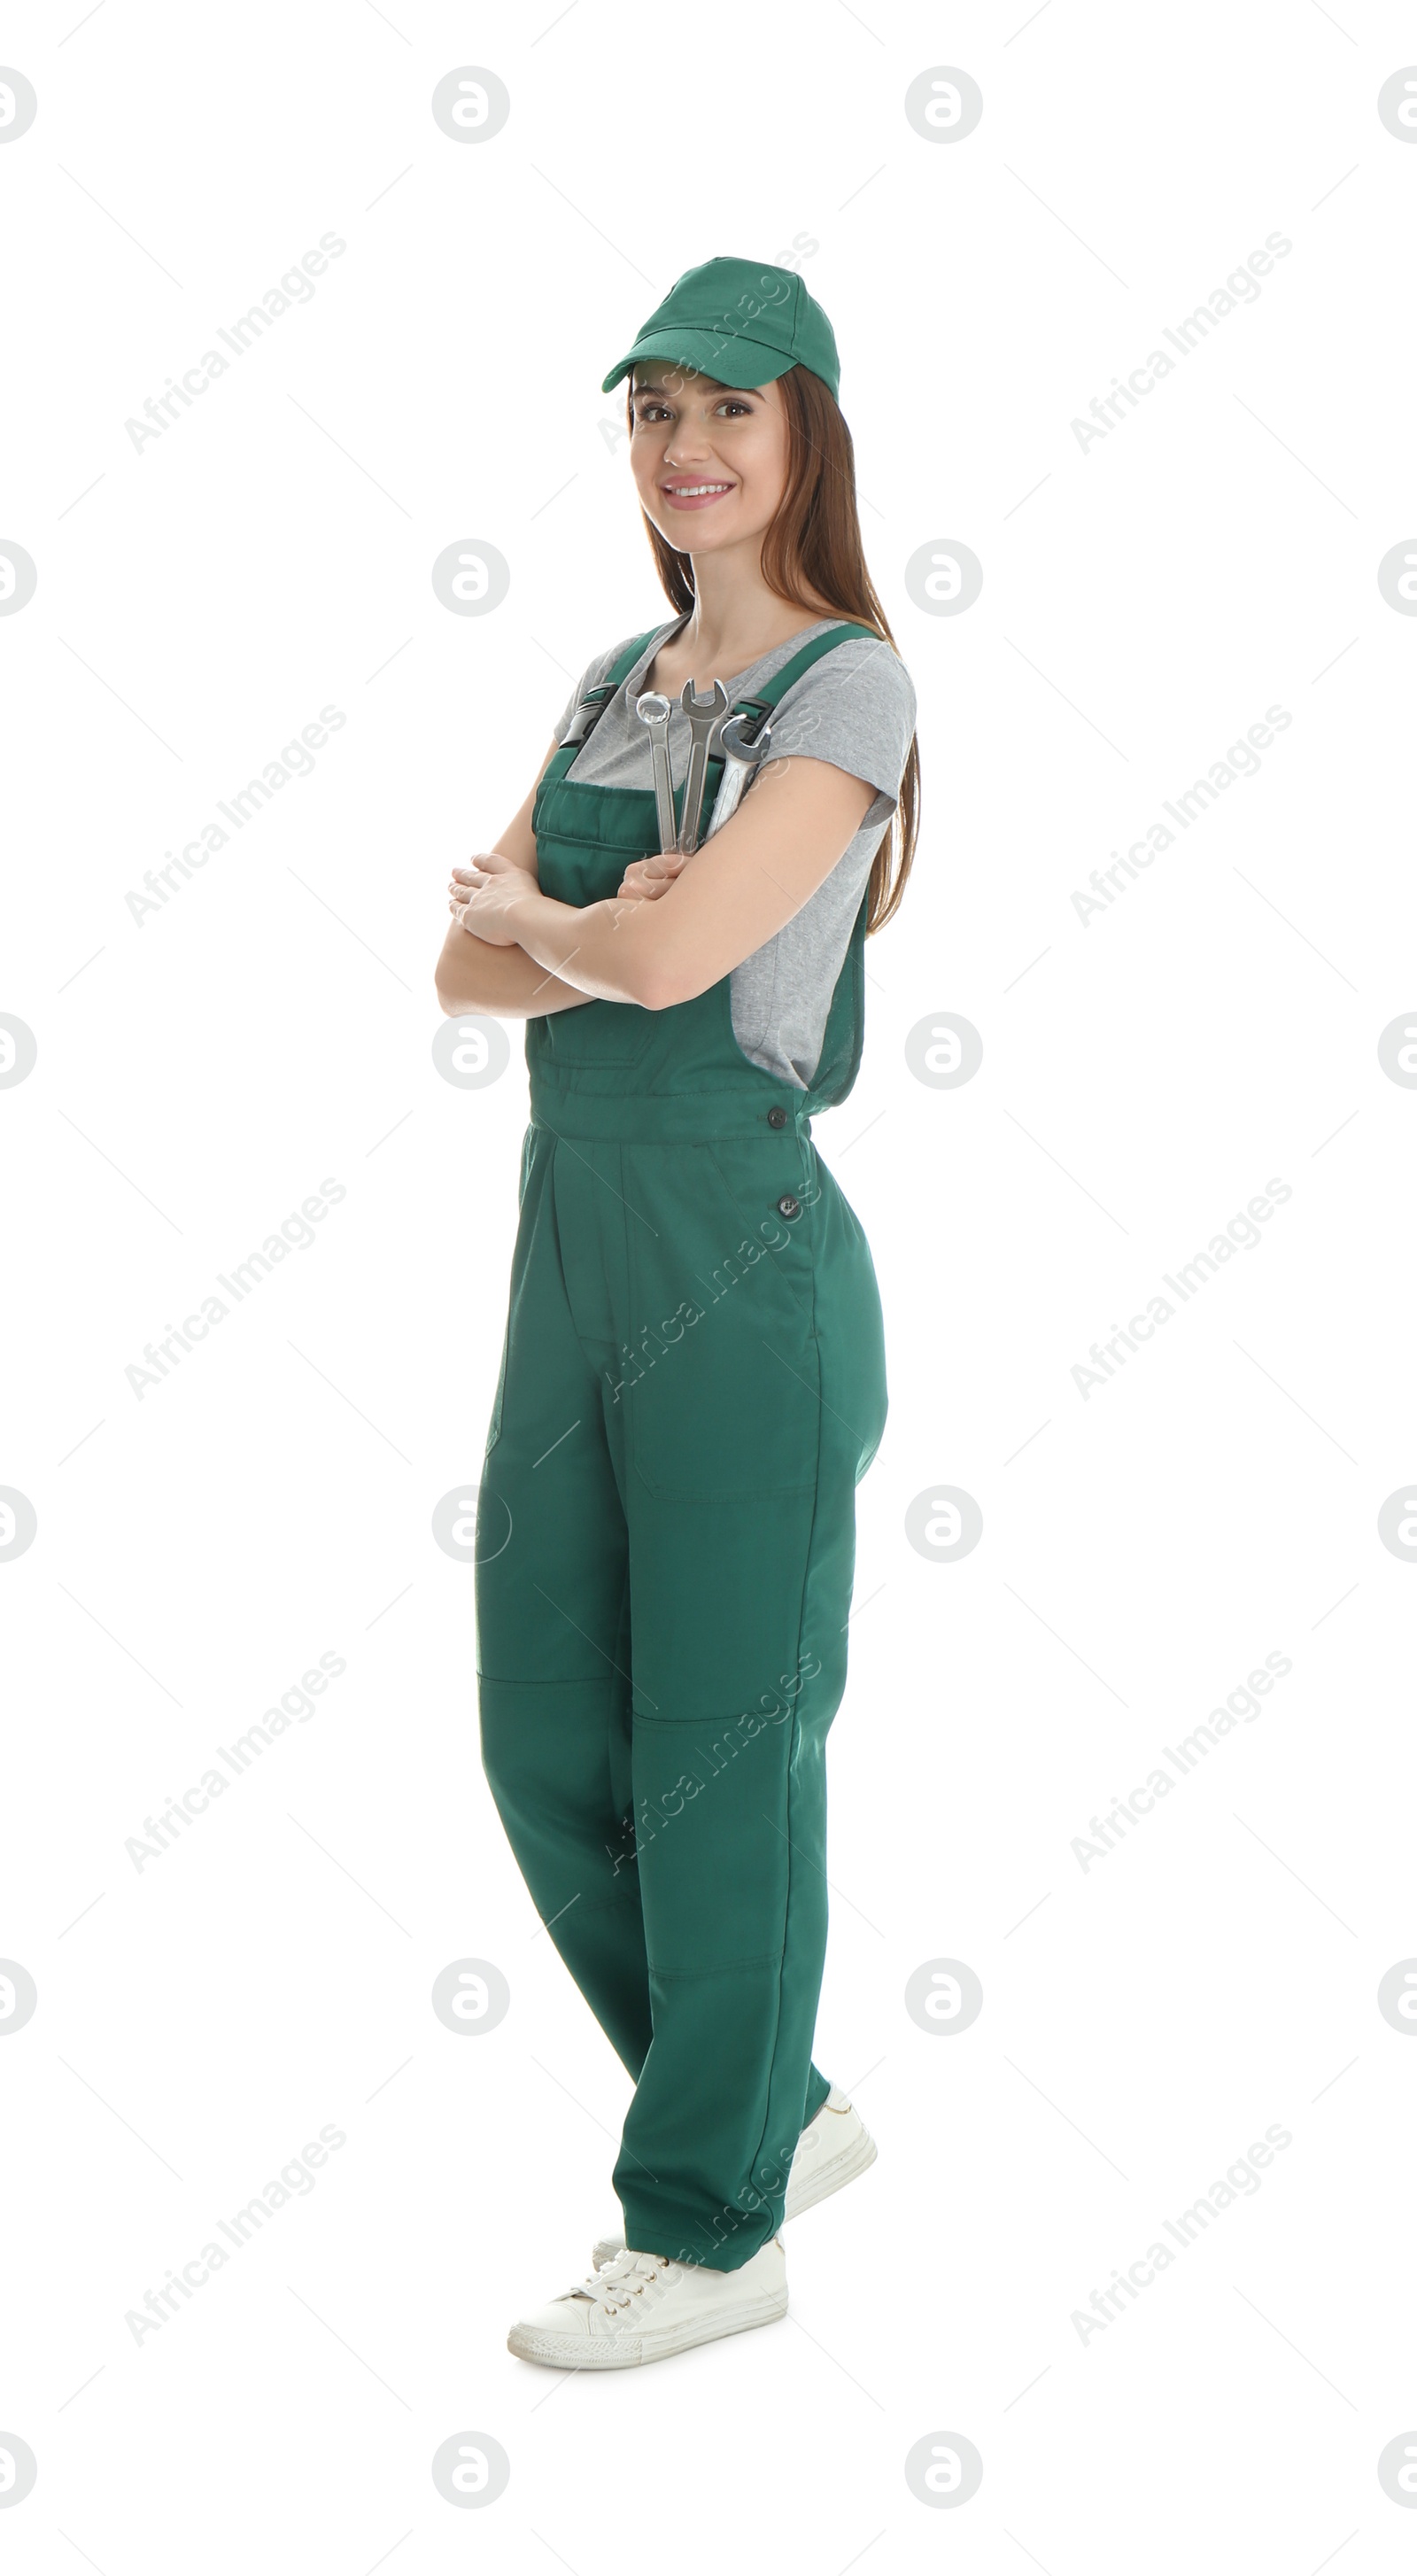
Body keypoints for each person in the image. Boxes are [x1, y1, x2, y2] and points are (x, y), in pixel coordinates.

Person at [434, 253, 920, 2369]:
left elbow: (661, 969)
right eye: (651, 414)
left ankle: (712, 2225)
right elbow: (468, 975)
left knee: (720, 1747)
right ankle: (771, 2105)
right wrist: (581, 919)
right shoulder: (611, 682)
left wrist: (562, 918)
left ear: (802, 432)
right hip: (570, 1235)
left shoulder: (848, 690)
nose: (686, 450)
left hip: (739, 1257)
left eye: (727, 410)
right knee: (542, 1725)